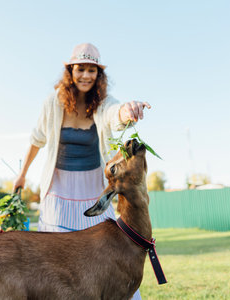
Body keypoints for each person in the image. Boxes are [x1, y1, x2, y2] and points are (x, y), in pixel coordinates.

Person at [14, 43, 150, 299]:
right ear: (70, 71)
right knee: (55, 264)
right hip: (58, 190)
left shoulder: (104, 103)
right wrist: (22, 174)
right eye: (81, 69)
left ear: (99, 75)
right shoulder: (53, 103)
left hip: (94, 191)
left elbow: (115, 115)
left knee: (107, 255)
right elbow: (36, 139)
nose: (86, 75)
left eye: (92, 70)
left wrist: (127, 111)